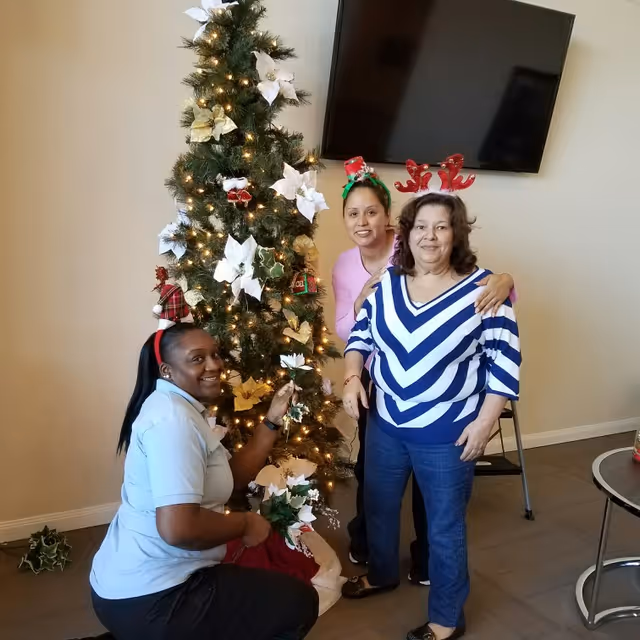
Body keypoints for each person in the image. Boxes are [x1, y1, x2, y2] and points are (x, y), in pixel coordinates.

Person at [340, 155, 521, 640]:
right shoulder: (388, 286)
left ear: (457, 235)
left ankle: (446, 618)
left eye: (442, 227)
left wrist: (484, 425)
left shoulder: (484, 293)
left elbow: (505, 365)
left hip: (448, 434)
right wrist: (353, 377)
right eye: (421, 226)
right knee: (378, 507)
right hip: (385, 424)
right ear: (408, 232)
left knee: (444, 529)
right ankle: (381, 574)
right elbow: (360, 334)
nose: (430, 236)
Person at [89, 280, 319, 640]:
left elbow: (230, 477)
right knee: (299, 602)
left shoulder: (179, 407)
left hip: (135, 589)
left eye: (215, 354)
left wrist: (272, 419)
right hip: (151, 596)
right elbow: (178, 528)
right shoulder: (173, 422)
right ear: (167, 372)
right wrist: (244, 523)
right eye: (197, 359)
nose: (215, 365)